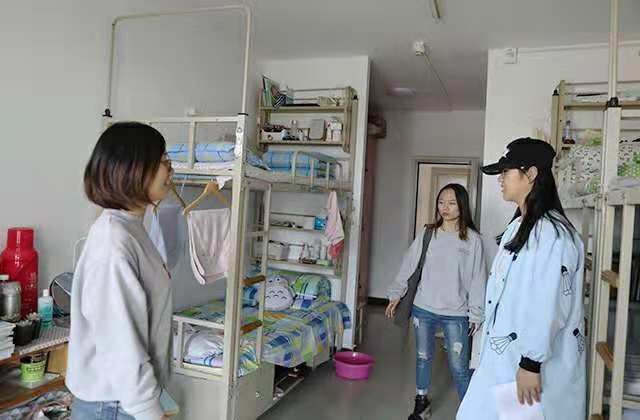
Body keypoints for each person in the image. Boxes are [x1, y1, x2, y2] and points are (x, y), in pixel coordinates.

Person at [457, 138, 586, 420]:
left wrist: (530, 363)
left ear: (531, 174)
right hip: (507, 356)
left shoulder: (551, 234)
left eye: (506, 172)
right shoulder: (520, 225)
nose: (500, 179)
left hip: (527, 364)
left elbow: (549, 302)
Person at [67, 122, 174, 420]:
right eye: (163, 160)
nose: (170, 169)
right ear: (133, 167)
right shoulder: (113, 241)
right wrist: (148, 410)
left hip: (123, 398)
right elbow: (120, 340)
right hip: (112, 404)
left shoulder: (131, 228)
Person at [386, 183, 487, 420]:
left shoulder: (473, 240)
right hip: (424, 308)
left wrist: (476, 312)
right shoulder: (428, 234)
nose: (445, 207)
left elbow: (478, 278)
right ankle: (421, 402)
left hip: (457, 312)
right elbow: (408, 264)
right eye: (441, 202)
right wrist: (395, 294)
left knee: (459, 367)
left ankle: (472, 411)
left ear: (462, 206)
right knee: (423, 357)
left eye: (451, 203)